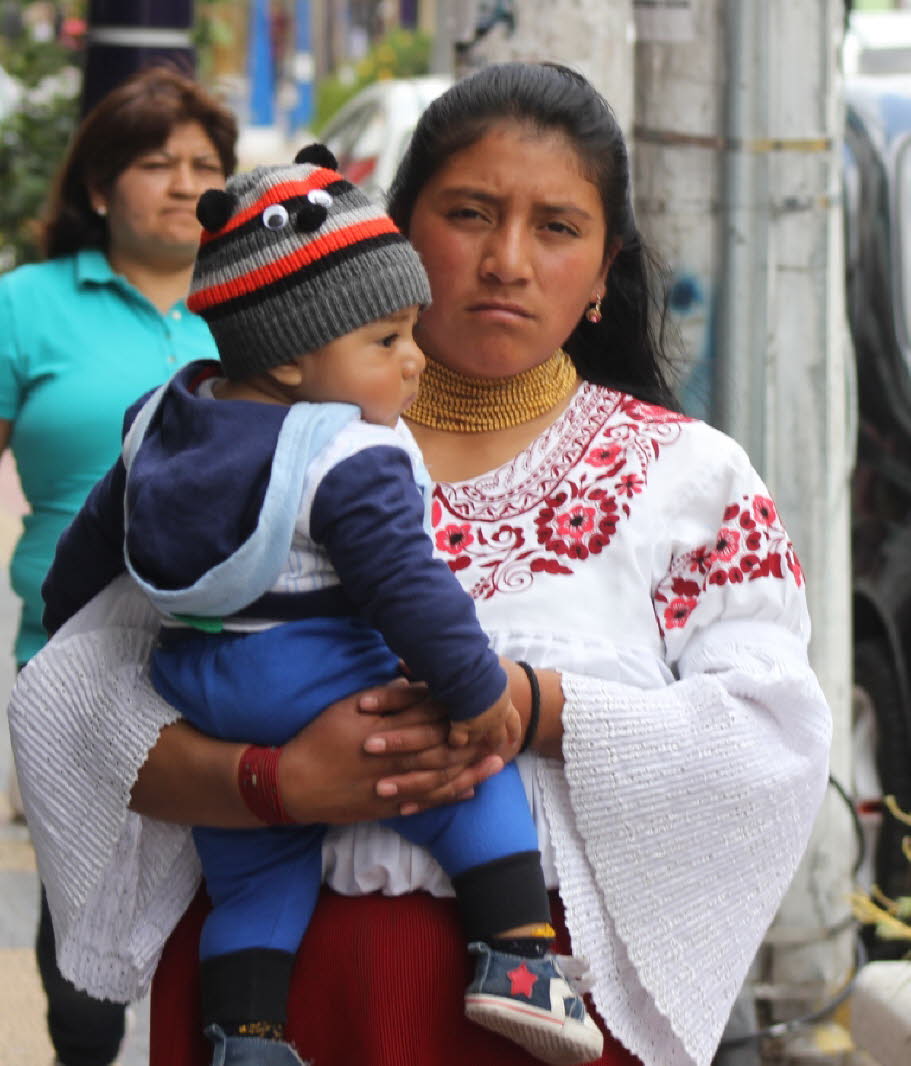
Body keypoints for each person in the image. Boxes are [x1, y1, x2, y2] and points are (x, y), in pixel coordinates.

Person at [9, 61, 832, 1066]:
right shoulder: (239, 444)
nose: (507, 261)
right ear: (393, 234)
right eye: (470, 214)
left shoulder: (689, 481)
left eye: (557, 227)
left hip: (539, 1022)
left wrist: (528, 706)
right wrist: (277, 781)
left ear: (605, 273)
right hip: (269, 999)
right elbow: (73, 706)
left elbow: (770, 742)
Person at [43, 144, 603, 1066]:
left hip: (200, 687)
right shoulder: (347, 452)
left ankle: (248, 1037)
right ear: (298, 362)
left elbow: (83, 566)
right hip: (314, 671)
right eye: (386, 341)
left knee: (255, 880)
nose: (412, 362)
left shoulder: (155, 422)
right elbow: (406, 590)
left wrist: (71, 637)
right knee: (475, 790)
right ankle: (518, 967)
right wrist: (476, 698)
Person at [0, 65, 236, 1066]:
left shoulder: (259, 306)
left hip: (242, 658)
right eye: (156, 163)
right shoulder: (26, 305)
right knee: (84, 940)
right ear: (99, 187)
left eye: (205, 166)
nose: (186, 184)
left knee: (236, 920)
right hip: (77, 660)